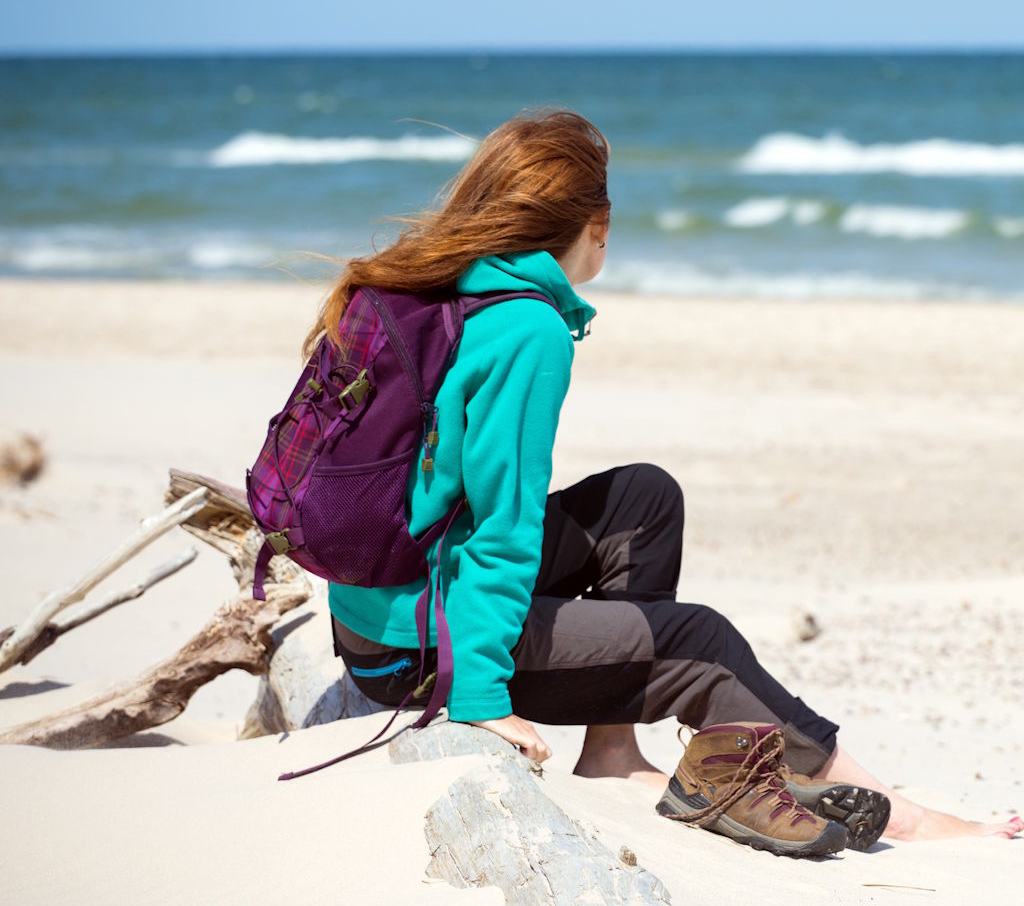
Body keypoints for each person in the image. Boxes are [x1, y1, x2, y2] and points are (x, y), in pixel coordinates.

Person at [311, 108, 1022, 846]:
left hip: (378, 608)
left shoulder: (427, 282)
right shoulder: (526, 327)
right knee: (702, 643)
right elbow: (504, 527)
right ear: (596, 226)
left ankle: (612, 752)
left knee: (643, 499)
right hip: (425, 652)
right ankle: (896, 812)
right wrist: (483, 697)